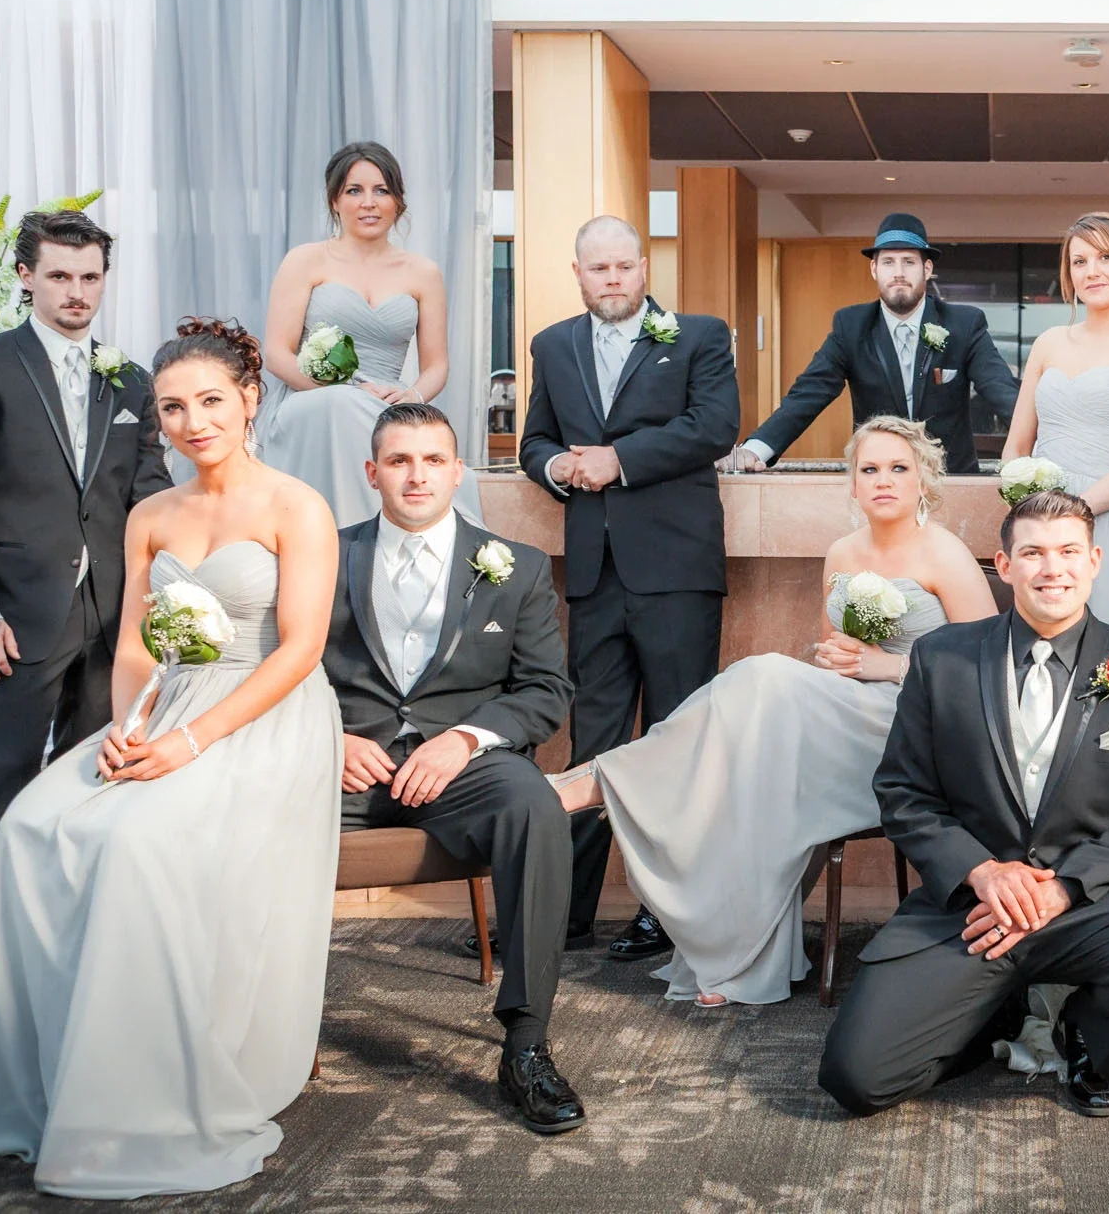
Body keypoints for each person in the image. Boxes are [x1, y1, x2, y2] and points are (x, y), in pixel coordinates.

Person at [0, 320, 342, 1197]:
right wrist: (129, 725)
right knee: (29, 828)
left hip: (265, 715)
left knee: (134, 842)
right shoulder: (151, 514)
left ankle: (132, 1096)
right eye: (171, 407)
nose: (193, 422)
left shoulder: (297, 506)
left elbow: (300, 650)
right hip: (165, 705)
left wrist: (190, 742)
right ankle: (30, 1082)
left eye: (211, 400)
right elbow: (133, 644)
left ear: (250, 398)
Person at [549, 417, 996, 1005]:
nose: (883, 480)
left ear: (923, 479)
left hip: (915, 729)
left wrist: (886, 666)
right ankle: (734, 962)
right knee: (753, 776)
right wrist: (841, 658)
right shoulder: (843, 552)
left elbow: (984, 670)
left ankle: (605, 779)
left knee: (761, 674)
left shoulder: (945, 552)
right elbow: (830, 658)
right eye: (869, 470)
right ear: (852, 484)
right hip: (845, 716)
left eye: (898, 468)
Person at [819, 489, 1109, 1119]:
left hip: (1088, 902)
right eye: (1032, 553)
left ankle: (1087, 1038)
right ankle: (991, 1010)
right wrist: (981, 871)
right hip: (971, 908)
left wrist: (1062, 888)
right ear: (1005, 566)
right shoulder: (941, 657)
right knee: (857, 1079)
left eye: (1068, 552)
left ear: (1094, 561)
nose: (1051, 568)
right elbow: (903, 792)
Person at [320, 404, 580, 1132]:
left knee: (534, 806)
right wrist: (328, 736)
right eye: (399, 460)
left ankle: (526, 1044)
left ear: (457, 471)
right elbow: (287, 666)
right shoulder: (324, 554)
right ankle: (240, 1024)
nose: (417, 476)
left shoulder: (517, 566)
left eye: (433, 460)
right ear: (372, 472)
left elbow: (545, 690)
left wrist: (464, 739)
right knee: (241, 806)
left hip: (463, 770)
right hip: (346, 764)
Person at [0, 210, 172, 947]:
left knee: (93, 778)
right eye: (60, 276)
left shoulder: (131, 379)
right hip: (15, 616)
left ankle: (71, 945)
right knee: (9, 773)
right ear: (26, 276)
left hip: (114, 616)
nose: (77, 292)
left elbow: (148, 494)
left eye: (90, 277)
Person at [518, 214, 740, 962]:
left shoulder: (699, 336)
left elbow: (715, 426)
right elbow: (535, 441)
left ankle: (666, 915)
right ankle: (566, 915)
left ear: (644, 268)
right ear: (577, 273)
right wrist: (557, 467)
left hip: (676, 570)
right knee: (594, 742)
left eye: (623, 266)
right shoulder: (552, 345)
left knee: (678, 739)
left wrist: (619, 460)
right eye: (598, 268)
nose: (612, 279)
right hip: (594, 574)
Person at [259, 140, 485, 528]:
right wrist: (335, 389)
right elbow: (277, 354)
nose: (369, 203)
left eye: (381, 190)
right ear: (334, 200)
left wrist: (412, 397)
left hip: (386, 404)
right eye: (354, 191)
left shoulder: (423, 273)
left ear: (398, 201)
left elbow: (436, 366)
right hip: (312, 402)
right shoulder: (305, 260)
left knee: (406, 435)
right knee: (341, 406)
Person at [1000, 213, 1109, 645]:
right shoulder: (1048, 343)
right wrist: (1031, 509)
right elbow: (1015, 447)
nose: (1092, 271)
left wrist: (1072, 515)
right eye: (1079, 262)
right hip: (1040, 523)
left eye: (1105, 258)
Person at [723, 214, 1019, 475]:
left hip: (950, 479)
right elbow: (808, 394)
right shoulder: (851, 326)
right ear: (874, 269)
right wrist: (756, 449)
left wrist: (1039, 443)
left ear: (927, 269)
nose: (898, 272)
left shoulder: (964, 324)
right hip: (879, 480)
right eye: (888, 262)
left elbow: (1000, 389)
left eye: (908, 262)